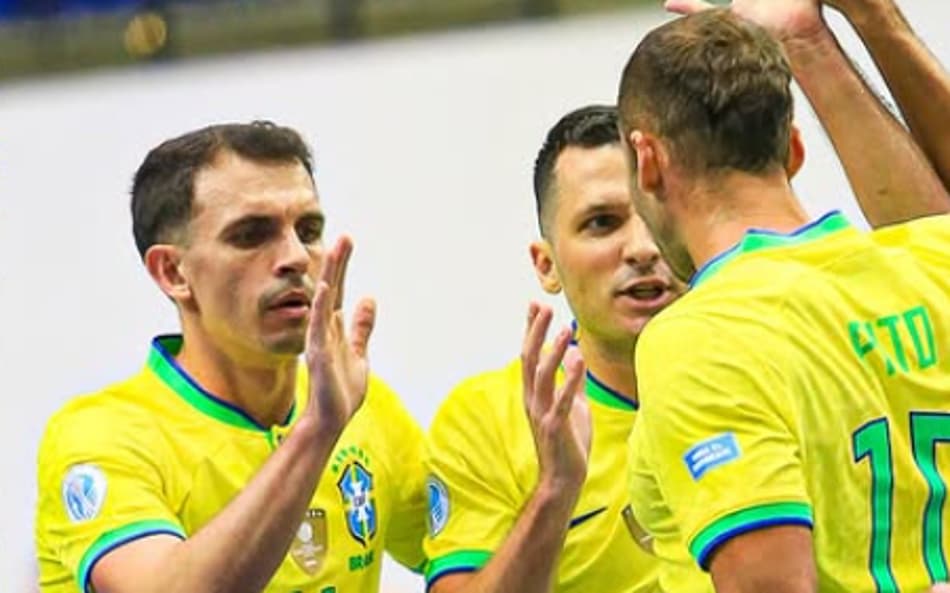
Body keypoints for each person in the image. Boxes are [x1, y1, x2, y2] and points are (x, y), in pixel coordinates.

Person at [617, 1, 950, 592]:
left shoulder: (701, 339)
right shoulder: (929, 262)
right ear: (794, 150)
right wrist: (816, 39)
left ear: (648, 161)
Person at [34, 122, 427, 593]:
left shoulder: (365, 409)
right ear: (173, 272)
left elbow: (473, 558)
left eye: (308, 230)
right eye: (251, 235)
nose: (295, 257)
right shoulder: (100, 436)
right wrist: (317, 432)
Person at [423, 105, 682, 593]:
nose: (643, 248)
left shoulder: (763, 376)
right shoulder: (486, 420)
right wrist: (555, 490)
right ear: (547, 266)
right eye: (602, 222)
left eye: (656, 210)